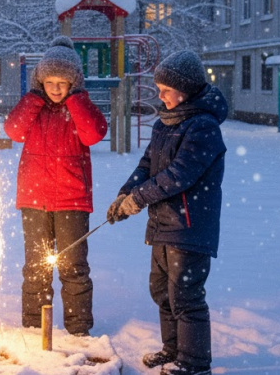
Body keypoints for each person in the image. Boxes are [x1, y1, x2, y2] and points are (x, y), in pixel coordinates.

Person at [107, 50, 227, 375]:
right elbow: (147, 164)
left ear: (185, 90)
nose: (159, 95)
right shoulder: (165, 123)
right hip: (162, 225)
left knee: (185, 295)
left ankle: (194, 363)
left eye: (165, 90)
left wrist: (138, 199)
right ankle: (173, 349)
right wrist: (124, 193)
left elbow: (178, 175)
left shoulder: (203, 128)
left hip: (189, 228)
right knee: (161, 291)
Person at [4, 36, 108, 336]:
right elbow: (13, 129)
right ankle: (35, 328)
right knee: (36, 268)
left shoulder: (79, 107)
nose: (56, 88)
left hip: (71, 200)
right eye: (49, 81)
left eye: (63, 82)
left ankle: (77, 329)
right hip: (34, 199)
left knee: (73, 268)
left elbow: (93, 134)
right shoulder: (34, 107)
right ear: (41, 80)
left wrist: (76, 100)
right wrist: (33, 98)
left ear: (74, 82)